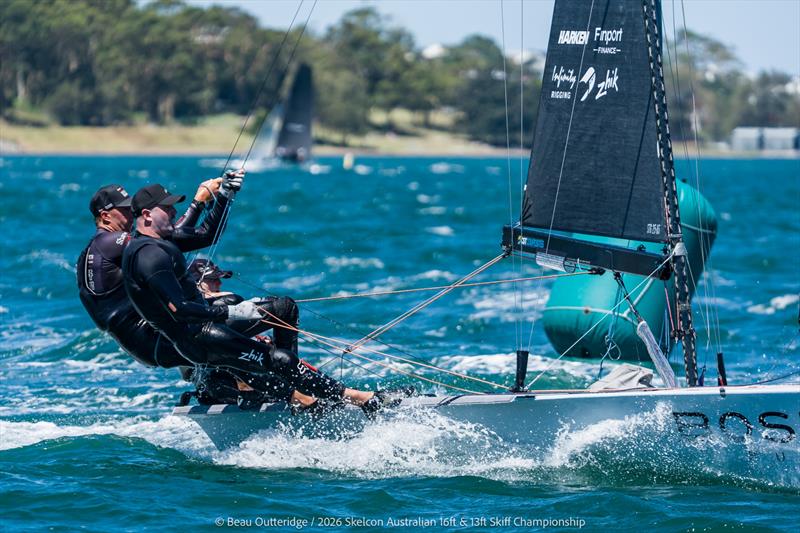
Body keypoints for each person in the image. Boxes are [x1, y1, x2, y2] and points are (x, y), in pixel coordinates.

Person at [121, 183, 395, 414]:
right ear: (146, 215)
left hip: (202, 332)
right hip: (198, 336)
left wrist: (225, 195)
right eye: (167, 209)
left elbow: (207, 234)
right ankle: (359, 399)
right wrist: (229, 313)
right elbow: (179, 309)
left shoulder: (159, 243)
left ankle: (304, 402)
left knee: (273, 344)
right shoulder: (149, 255)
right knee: (279, 361)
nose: (173, 213)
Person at [76, 175, 238, 368]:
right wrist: (198, 203)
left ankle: (213, 379)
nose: (131, 212)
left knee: (222, 307)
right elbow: (164, 239)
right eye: (125, 209)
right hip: (149, 338)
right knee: (231, 307)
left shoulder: (96, 248)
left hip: (140, 340)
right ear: (105, 216)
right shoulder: (112, 242)